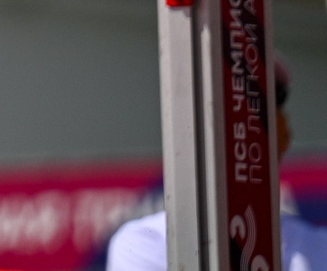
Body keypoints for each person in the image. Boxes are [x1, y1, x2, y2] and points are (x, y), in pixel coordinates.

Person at [106, 62, 322, 271]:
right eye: (225, 104)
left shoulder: (318, 247)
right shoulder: (145, 243)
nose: (241, 126)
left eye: (257, 105)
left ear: (282, 136)